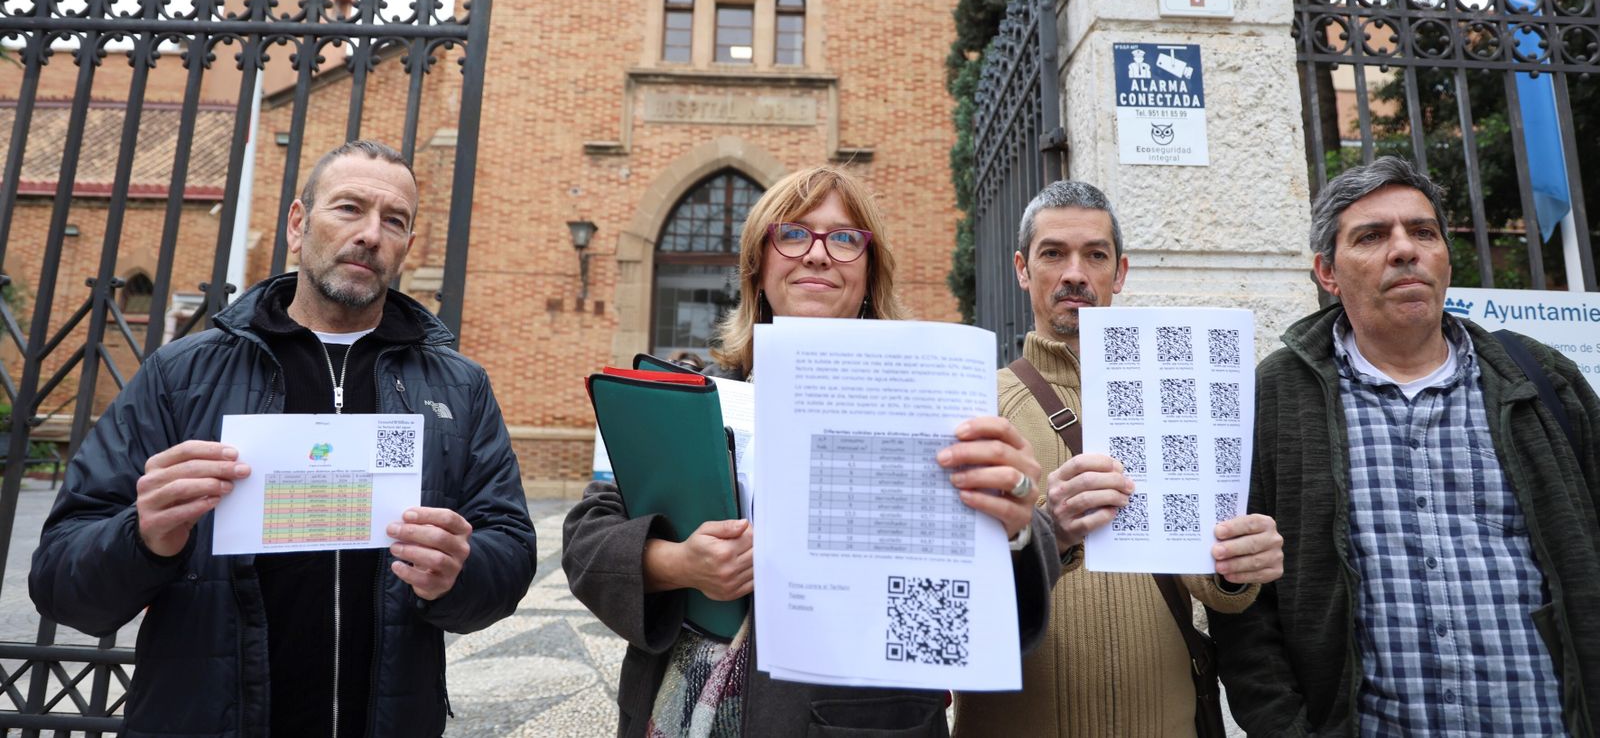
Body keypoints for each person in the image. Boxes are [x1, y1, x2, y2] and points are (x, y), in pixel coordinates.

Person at [30, 140, 538, 738]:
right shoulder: (182, 375)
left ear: (405, 245)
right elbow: (61, 583)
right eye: (348, 208)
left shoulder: (460, 387)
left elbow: (510, 552)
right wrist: (143, 537)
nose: (371, 234)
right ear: (297, 226)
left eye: (393, 220)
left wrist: (462, 571)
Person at [563, 165, 1060, 738]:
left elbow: (999, 607)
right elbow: (586, 537)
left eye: (845, 238)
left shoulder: (931, 401)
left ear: (871, 276)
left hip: (865, 722)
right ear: (759, 270)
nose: (819, 254)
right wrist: (677, 564)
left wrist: (1017, 524)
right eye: (793, 234)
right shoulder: (704, 397)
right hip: (683, 711)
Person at [1209, 156, 1600, 736]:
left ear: (1445, 255)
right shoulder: (1273, 397)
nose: (1404, 250)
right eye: (1371, 236)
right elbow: (1244, 603)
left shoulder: (1541, 380)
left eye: (1422, 232)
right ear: (1327, 272)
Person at [954, 179, 1283, 737]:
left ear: (1120, 272)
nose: (1075, 273)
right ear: (1022, 269)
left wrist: (1237, 567)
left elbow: (1212, 583)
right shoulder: (975, 409)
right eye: (1053, 253)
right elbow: (955, 593)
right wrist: (1046, 530)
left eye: (1095, 255)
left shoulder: (1182, 399)